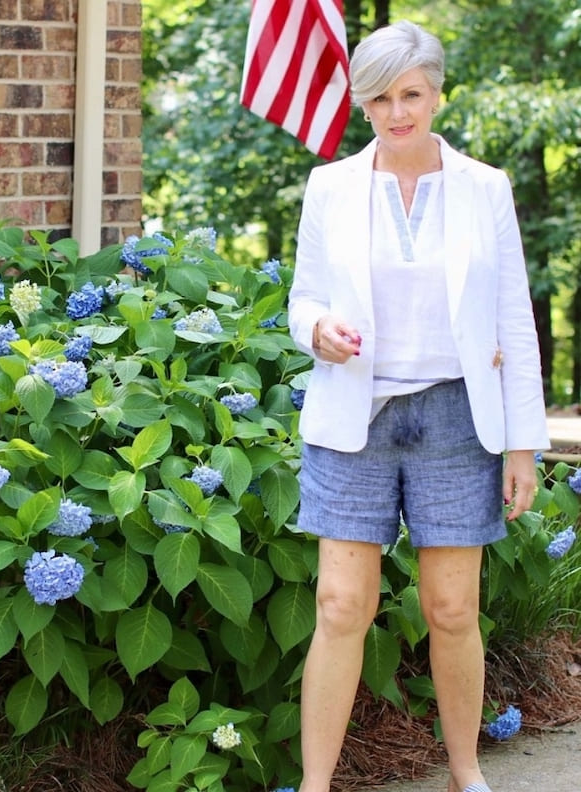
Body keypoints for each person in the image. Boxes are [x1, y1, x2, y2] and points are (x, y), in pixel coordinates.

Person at [288, 20, 549, 792]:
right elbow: (303, 299)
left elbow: (512, 318)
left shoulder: (485, 188)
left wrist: (523, 445)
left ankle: (466, 773)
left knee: (452, 609)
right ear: (362, 103)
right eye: (379, 98)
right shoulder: (330, 185)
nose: (397, 112)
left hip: (456, 419)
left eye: (411, 94)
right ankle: (315, 785)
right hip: (353, 417)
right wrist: (317, 330)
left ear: (436, 92)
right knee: (340, 606)